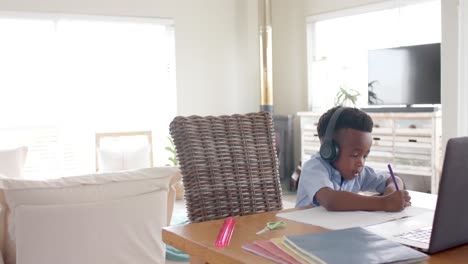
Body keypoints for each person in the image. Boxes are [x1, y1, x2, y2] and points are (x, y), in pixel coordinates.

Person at [296, 106, 411, 212]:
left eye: (365, 156)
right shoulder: (314, 168)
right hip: (305, 230)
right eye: (355, 155)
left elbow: (394, 179)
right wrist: (383, 202)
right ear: (329, 150)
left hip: (338, 230)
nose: (360, 163)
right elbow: (331, 200)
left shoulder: (358, 173)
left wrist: (391, 193)